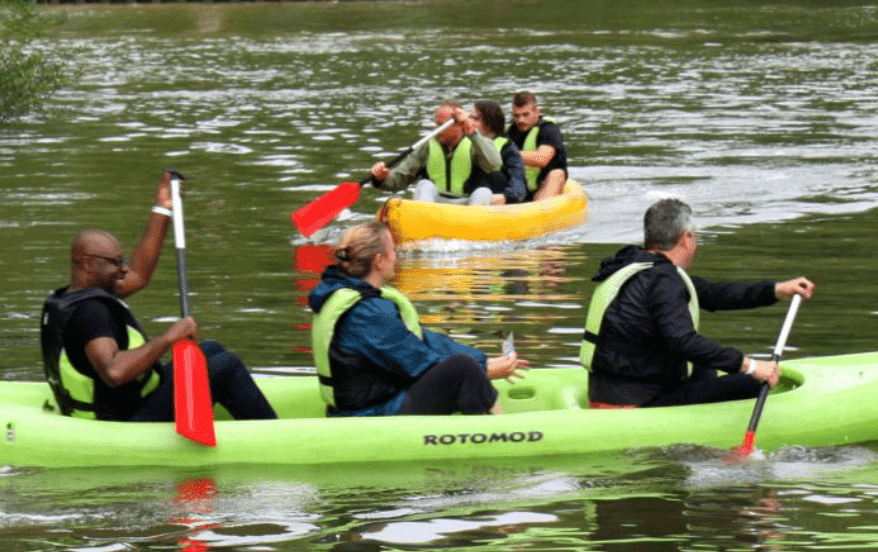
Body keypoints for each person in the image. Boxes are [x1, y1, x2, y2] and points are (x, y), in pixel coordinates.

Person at [40, 174, 277, 422]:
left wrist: (162, 208)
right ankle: (272, 436)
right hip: (123, 421)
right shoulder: (91, 313)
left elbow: (139, 274)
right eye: (115, 263)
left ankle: (243, 420)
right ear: (88, 264)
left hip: (130, 402)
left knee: (210, 350)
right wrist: (168, 338)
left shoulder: (76, 295)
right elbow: (115, 372)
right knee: (226, 366)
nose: (123, 269)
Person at [580, 198, 814, 408]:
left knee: (702, 366)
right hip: (639, 402)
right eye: (695, 236)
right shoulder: (663, 280)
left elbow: (713, 294)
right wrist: (751, 366)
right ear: (686, 237)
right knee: (751, 384)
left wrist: (776, 290)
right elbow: (683, 341)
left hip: (609, 390)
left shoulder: (633, 266)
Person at [309, 220, 529, 416]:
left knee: (466, 364)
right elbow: (418, 364)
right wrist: (482, 371)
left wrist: (483, 360)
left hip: (367, 402)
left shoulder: (343, 293)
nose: (397, 257)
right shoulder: (366, 312)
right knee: (463, 369)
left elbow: (423, 340)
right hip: (370, 413)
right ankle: (504, 434)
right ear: (378, 260)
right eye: (393, 251)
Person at [369, 102, 502, 205]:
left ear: (457, 126)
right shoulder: (427, 146)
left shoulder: (475, 142)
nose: (435, 128)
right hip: (435, 207)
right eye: (436, 123)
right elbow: (401, 178)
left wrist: (470, 129)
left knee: (484, 192)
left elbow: (494, 163)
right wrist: (381, 178)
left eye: (441, 125)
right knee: (424, 185)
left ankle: (475, 228)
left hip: (466, 206)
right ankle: (422, 228)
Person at [507, 90, 568, 201]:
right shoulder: (511, 131)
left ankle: (540, 209)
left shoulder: (549, 129)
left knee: (557, 174)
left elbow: (542, 158)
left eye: (526, 114)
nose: (520, 120)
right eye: (516, 115)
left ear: (537, 112)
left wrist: (508, 154)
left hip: (544, 185)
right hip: (520, 188)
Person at [471, 100, 527, 205]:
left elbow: (518, 183)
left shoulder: (509, 149)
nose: (470, 122)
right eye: (470, 117)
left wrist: (506, 197)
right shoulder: (464, 142)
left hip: (494, 199)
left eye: (476, 119)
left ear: (489, 125)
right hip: (468, 197)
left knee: (496, 176)